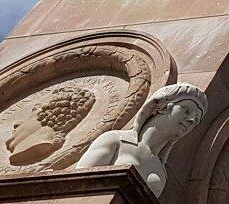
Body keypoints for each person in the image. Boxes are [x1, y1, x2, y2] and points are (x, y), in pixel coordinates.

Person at [75, 83, 207, 196]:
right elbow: (77, 185)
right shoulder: (116, 140)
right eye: (186, 111)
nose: (191, 120)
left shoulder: (161, 172)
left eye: (196, 120)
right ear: (162, 107)